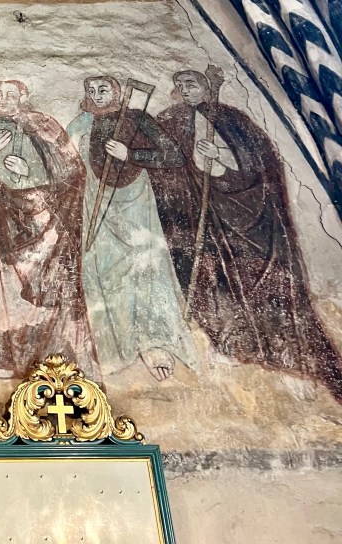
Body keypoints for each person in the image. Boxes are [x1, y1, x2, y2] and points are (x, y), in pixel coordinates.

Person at [150, 68, 342, 403]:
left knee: (263, 286)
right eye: (180, 85)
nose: (185, 89)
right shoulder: (175, 121)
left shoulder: (234, 121)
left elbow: (260, 168)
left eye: (191, 84)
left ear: (206, 87)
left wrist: (221, 160)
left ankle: (281, 355)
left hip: (250, 224)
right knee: (216, 284)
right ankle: (232, 343)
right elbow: (168, 164)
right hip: (207, 223)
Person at [0, 80, 98, 381]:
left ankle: (53, 358)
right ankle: (2, 359)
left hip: (43, 224)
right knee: (0, 291)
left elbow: (73, 172)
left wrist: (31, 172)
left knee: (48, 289)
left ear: (23, 96)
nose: (3, 99)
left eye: (11, 94)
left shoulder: (44, 125)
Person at [67, 76, 198, 381]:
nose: (97, 95)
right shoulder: (82, 122)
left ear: (115, 91)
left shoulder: (137, 118)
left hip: (135, 204)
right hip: (95, 203)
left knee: (144, 269)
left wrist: (131, 154)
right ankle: (115, 346)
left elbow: (174, 155)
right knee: (104, 271)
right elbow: (64, 158)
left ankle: (154, 342)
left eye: (103, 89)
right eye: (91, 90)